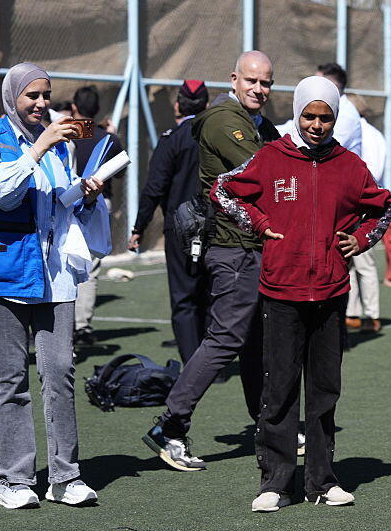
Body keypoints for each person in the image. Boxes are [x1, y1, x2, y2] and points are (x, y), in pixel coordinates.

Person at [211, 76, 391, 512]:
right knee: (279, 391)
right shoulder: (271, 157)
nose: (316, 124)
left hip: (330, 293)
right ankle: (275, 483)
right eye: (308, 116)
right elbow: (222, 190)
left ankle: (322, 481)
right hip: (281, 291)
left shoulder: (349, 165)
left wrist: (360, 239)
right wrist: (258, 224)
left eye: (324, 118)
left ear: (334, 119)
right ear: (297, 114)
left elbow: (384, 206)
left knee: (325, 391)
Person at [0, 63, 109, 508]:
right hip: (2, 274)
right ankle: (12, 480)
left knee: (60, 372)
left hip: (53, 273)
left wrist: (85, 196)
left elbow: (59, 203)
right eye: (32, 96)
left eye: (46, 95)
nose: (42, 103)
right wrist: (38, 148)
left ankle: (65, 476)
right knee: (12, 377)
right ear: (12, 97)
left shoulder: (61, 144)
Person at [142, 50, 281, 471]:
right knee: (224, 339)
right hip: (233, 248)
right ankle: (170, 425)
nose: (259, 89)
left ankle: (270, 426)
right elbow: (268, 173)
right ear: (234, 79)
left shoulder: (258, 122)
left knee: (255, 342)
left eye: (266, 82)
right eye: (252, 80)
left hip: (252, 247)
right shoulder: (224, 120)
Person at [128, 80, 210, 363]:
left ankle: (194, 365)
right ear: (206, 105)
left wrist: (139, 227)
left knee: (184, 297)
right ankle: (213, 362)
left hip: (180, 229)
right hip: (215, 226)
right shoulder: (216, 135)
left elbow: (154, 187)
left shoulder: (172, 139)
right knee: (210, 293)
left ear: (178, 106)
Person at [318, 66, 380, 334]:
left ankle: (371, 314)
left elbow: (373, 170)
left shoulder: (353, 122)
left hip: (358, 206)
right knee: (349, 263)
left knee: (363, 262)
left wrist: (366, 198)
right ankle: (352, 313)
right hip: (344, 203)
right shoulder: (342, 118)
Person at [70, 86, 125, 347]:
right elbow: (121, 172)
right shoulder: (107, 138)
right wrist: (111, 134)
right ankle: (82, 326)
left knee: (63, 260)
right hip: (99, 201)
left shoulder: (67, 133)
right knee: (90, 265)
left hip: (66, 199)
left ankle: (62, 323)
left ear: (74, 108)